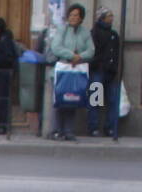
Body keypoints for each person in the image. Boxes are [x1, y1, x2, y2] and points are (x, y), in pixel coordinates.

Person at [49, 3, 94, 141]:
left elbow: (91, 50)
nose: (73, 18)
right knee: (60, 100)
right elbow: (56, 47)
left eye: (76, 15)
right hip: (63, 69)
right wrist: (71, 55)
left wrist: (80, 57)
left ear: (81, 18)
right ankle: (56, 130)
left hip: (76, 71)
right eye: (71, 15)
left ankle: (68, 131)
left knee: (73, 99)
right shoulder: (62, 30)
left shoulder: (85, 32)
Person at [88, 7, 121, 140]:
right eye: (109, 16)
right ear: (102, 17)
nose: (111, 18)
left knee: (113, 101)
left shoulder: (114, 34)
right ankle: (93, 127)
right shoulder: (94, 33)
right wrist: (96, 64)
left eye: (112, 16)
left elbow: (116, 52)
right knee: (95, 100)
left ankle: (110, 127)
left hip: (110, 72)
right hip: (98, 71)